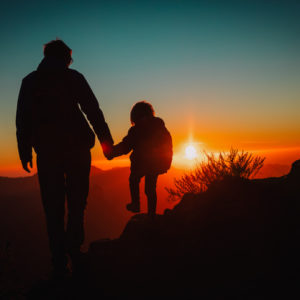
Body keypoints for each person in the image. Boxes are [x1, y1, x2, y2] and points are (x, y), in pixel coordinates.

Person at [16, 39, 113, 278]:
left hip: (47, 153)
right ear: (65, 57)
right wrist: (106, 142)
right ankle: (74, 251)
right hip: (78, 150)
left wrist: (24, 150)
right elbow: (93, 109)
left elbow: (23, 119)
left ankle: (58, 262)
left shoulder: (30, 81)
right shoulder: (73, 78)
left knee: (53, 207)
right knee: (78, 202)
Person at [108, 101, 172, 218]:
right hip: (151, 163)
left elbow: (125, 146)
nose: (137, 122)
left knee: (140, 183)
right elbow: (125, 145)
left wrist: (111, 153)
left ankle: (141, 207)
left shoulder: (143, 129)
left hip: (149, 163)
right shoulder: (155, 127)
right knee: (144, 185)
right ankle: (145, 211)